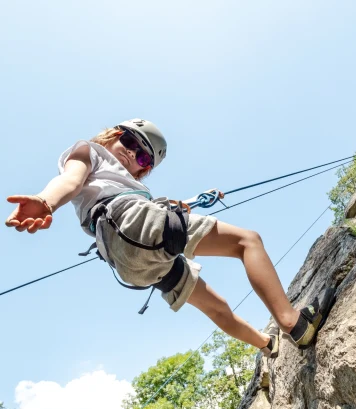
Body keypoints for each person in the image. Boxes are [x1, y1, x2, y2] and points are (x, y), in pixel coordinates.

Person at [5, 119, 333, 358]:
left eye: (144, 158)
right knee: (247, 241)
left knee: (216, 307)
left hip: (130, 260)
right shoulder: (90, 151)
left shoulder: (132, 186)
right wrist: (46, 201)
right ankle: (293, 323)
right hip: (129, 221)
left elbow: (159, 214)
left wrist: (195, 200)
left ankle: (267, 344)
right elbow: (71, 181)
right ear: (112, 136)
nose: (134, 155)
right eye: (130, 143)